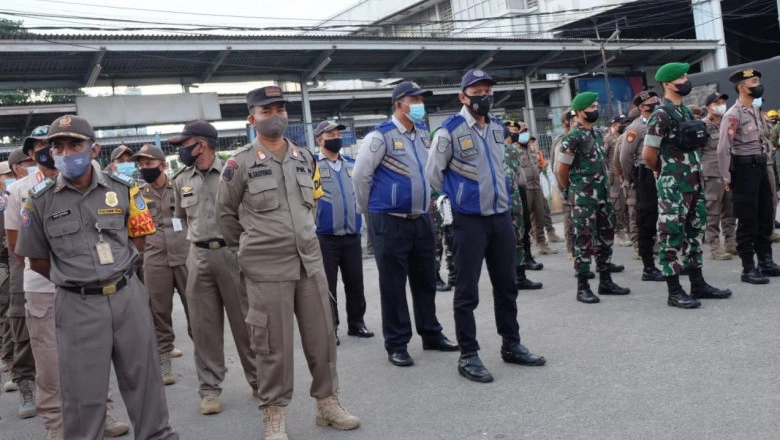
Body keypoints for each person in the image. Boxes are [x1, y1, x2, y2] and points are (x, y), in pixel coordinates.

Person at [16, 115, 178, 440]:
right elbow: (35, 259)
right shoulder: (38, 201)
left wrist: (113, 271)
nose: (66, 152)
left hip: (126, 294)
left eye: (75, 144)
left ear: (93, 149)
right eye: (58, 146)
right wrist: (79, 279)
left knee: (144, 382)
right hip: (77, 303)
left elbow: (139, 239)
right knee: (82, 394)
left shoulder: (126, 190)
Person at [215, 86, 359, 440]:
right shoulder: (239, 164)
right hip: (266, 269)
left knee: (322, 337)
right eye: (267, 110)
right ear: (252, 119)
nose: (275, 115)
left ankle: (327, 403)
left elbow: (313, 203)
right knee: (272, 346)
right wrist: (253, 246)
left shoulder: (304, 157)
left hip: (309, 263)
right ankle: (275, 414)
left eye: (280, 108)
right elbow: (225, 217)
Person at [7, 125, 131, 438]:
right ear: (33, 154)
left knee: (94, 357)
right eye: (44, 147)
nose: (52, 152)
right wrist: (65, 275)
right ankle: (56, 426)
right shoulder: (21, 191)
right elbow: (17, 245)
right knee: (50, 366)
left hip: (89, 290)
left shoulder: (96, 181)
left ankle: (103, 414)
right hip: (43, 290)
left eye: (63, 144)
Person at [426, 69, 546, 383]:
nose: (483, 96)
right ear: (463, 96)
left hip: (500, 218)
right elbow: (433, 178)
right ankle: (469, 355)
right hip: (468, 222)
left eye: (487, 90)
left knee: (506, 286)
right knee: (467, 292)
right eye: (476, 91)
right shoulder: (448, 131)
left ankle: (511, 343)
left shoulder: (496, 128)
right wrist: (452, 207)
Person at [352, 81, 457, 367]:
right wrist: (369, 213)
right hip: (389, 221)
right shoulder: (380, 136)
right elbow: (360, 177)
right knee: (393, 285)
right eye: (415, 99)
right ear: (399, 104)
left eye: (422, 99)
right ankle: (397, 343)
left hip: (421, 219)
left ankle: (431, 333)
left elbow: (431, 171)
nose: (420, 104)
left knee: (425, 281)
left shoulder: (422, 134)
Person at [170, 120, 257, 414]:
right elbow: (183, 218)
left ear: (202, 144)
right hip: (198, 256)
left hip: (231, 254)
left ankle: (258, 380)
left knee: (246, 322)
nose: (181, 150)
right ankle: (209, 390)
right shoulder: (181, 178)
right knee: (204, 327)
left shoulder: (232, 173)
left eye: (184, 144)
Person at [642, 62, 732, 308]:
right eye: (681, 77)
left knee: (694, 233)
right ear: (668, 84)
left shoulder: (684, 112)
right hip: (673, 186)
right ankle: (674, 291)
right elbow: (649, 154)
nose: (686, 80)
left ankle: (698, 283)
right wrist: (664, 171)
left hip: (694, 182)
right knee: (671, 235)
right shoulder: (661, 114)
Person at [556, 92, 631, 304]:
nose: (595, 110)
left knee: (606, 237)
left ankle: (605, 281)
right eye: (590, 107)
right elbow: (562, 171)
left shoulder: (596, 135)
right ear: (579, 111)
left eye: (596, 105)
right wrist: (574, 191)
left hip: (602, 197)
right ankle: (583, 287)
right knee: (584, 240)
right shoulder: (571, 138)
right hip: (583, 198)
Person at [131, 145, 192, 385]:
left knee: (197, 309)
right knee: (158, 311)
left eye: (149, 163)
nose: (145, 168)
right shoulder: (137, 192)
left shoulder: (178, 185)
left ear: (163, 165)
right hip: (154, 258)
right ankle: (164, 361)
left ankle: (207, 360)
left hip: (185, 254)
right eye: (142, 164)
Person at [312, 120, 373, 342]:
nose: (336, 137)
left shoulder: (351, 164)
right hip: (325, 237)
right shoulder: (313, 167)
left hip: (352, 235)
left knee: (355, 282)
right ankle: (331, 329)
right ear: (320, 140)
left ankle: (357, 323)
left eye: (338, 133)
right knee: (327, 286)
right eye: (331, 134)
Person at [717, 68, 780, 283]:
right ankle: (748, 267)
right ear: (742, 87)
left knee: (765, 214)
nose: (758, 84)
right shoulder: (733, 115)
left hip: (761, 166)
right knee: (747, 219)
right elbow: (723, 148)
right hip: (744, 170)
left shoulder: (754, 110)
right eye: (754, 81)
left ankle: (766, 261)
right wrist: (727, 177)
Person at [3, 147, 38, 419]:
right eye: (28, 160)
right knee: (21, 327)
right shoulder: (14, 194)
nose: (34, 162)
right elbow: (11, 241)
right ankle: (26, 385)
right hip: (19, 267)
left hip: (53, 266)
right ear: (17, 167)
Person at [620, 91, 666, 282]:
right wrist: (633, 179)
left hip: (665, 173)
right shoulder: (636, 128)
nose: (655, 104)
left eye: (656, 101)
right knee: (646, 221)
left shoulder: (663, 121)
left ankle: (670, 262)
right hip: (646, 175)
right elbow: (625, 158)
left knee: (669, 220)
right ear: (641, 107)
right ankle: (648, 266)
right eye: (650, 102)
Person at [503, 125, 543, 291]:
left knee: (519, 235)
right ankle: (511, 277)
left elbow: (520, 176)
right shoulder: (491, 150)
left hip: (516, 196)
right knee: (508, 240)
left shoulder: (512, 151)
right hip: (501, 200)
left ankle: (519, 276)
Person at [701, 92, 737, 260]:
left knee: (730, 210)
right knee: (713, 211)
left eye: (723, 101)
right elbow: (697, 152)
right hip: (712, 173)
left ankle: (731, 243)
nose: (722, 104)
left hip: (728, 171)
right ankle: (715, 247)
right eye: (718, 102)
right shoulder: (702, 126)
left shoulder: (727, 123)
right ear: (709, 107)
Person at [513, 123, 556, 255]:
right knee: (524, 220)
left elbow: (538, 165)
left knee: (540, 216)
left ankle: (542, 243)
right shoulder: (514, 150)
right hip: (524, 189)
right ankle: (523, 247)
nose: (525, 133)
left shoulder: (531, 149)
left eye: (526, 131)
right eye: (522, 131)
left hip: (536, 187)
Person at [614, 108, 641, 259]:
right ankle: (637, 246)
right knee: (634, 214)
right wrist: (627, 178)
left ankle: (651, 243)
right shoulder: (623, 138)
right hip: (632, 180)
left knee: (648, 213)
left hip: (646, 180)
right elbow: (618, 162)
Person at [552, 110, 577, 260]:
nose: (575, 121)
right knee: (569, 219)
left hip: (584, 186)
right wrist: (564, 187)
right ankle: (571, 249)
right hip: (568, 185)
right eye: (571, 119)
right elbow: (555, 167)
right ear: (565, 123)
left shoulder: (583, 136)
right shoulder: (561, 141)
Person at [604, 114, 632, 247]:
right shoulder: (609, 139)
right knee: (618, 205)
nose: (623, 125)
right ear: (614, 125)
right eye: (621, 123)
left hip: (625, 173)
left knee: (628, 204)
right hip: (614, 176)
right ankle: (619, 232)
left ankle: (629, 230)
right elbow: (604, 157)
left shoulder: (626, 136)